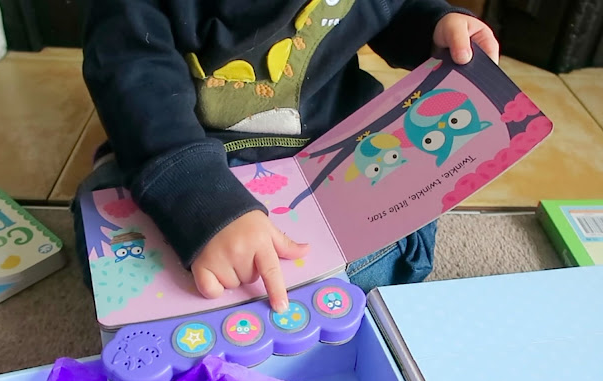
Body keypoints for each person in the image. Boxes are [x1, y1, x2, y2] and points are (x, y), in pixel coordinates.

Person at [74, 0, 499, 313]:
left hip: (330, 146)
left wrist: (436, 23)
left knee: (395, 242)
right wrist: (202, 203)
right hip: (187, 146)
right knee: (112, 241)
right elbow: (134, 77)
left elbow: (396, 8)